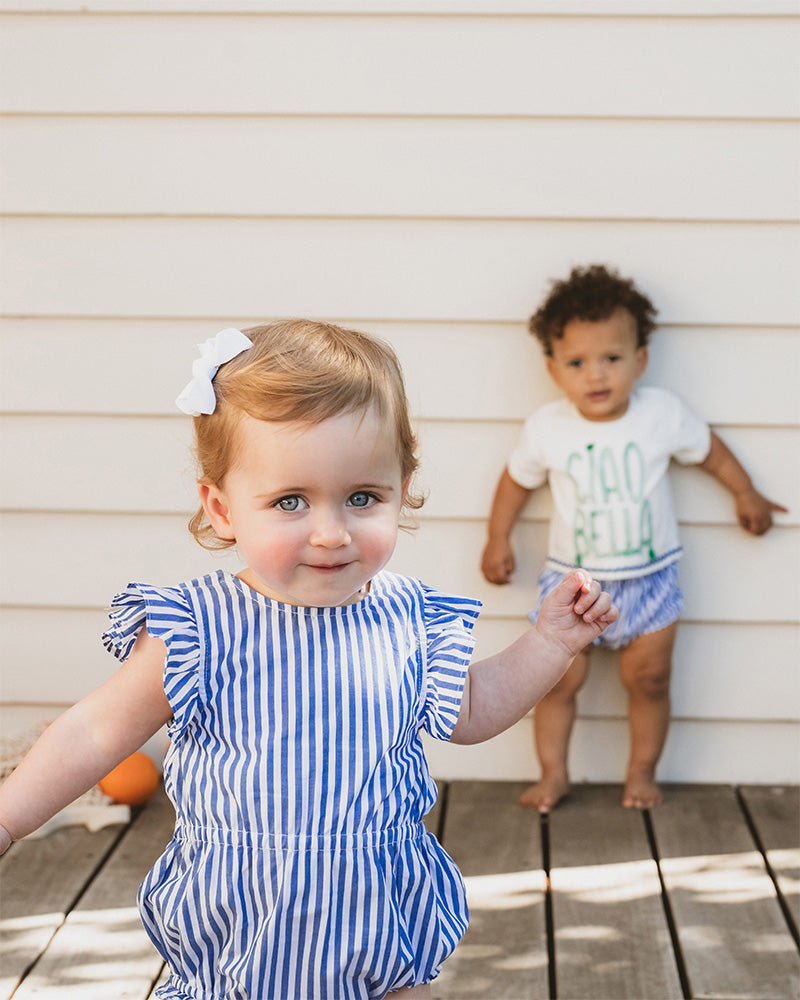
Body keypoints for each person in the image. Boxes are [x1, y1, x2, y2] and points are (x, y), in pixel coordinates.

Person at [0, 320, 617, 1000]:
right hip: (241, 927)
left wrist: (550, 642)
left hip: (377, 915)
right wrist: (8, 817)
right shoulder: (199, 628)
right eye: (290, 501)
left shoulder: (408, 617)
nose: (331, 532)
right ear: (223, 507)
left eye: (362, 498)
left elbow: (470, 710)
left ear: (402, 485)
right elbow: (93, 732)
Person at [481, 265, 786, 813]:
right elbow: (515, 482)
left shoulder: (662, 415)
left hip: (650, 580)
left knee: (649, 679)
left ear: (640, 359)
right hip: (575, 583)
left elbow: (711, 453)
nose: (595, 376)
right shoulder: (548, 428)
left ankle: (642, 773)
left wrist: (747, 495)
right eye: (577, 362)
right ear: (553, 369)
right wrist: (497, 538)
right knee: (556, 682)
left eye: (612, 358)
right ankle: (554, 775)